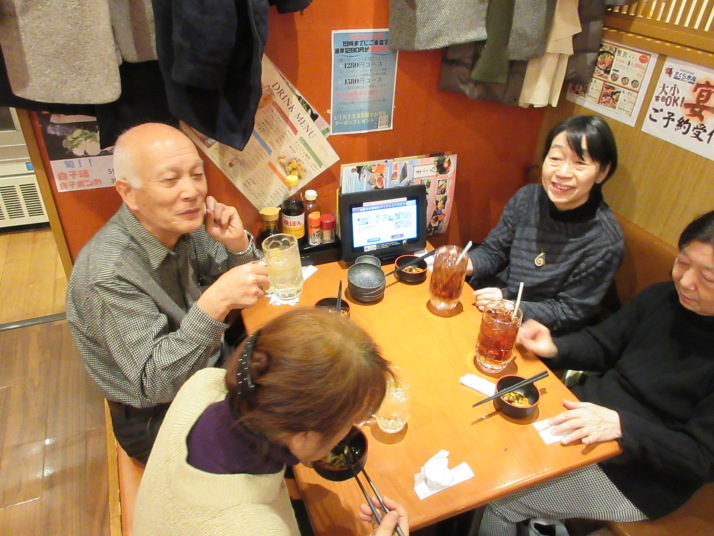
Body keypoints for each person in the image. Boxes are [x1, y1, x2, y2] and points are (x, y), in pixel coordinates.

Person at [477, 210, 714, 536]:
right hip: (579, 415)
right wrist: (554, 347)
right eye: (683, 262)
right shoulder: (662, 298)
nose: (685, 281)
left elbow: (701, 459)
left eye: (708, 278)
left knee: (499, 500)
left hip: (641, 475)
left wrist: (622, 426)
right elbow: (604, 343)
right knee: (483, 448)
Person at [66, 123, 269, 463]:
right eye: (170, 179)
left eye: (196, 175)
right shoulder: (106, 275)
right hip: (156, 413)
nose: (191, 191)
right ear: (128, 192)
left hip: (211, 366)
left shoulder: (186, 224)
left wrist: (237, 246)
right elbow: (156, 383)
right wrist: (214, 303)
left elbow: (255, 283)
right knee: (281, 435)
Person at [133, 308, 410, 536]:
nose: (348, 432)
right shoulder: (253, 528)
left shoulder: (205, 383)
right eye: (349, 422)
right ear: (303, 437)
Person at [467, 115, 624, 334]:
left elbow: (568, 312)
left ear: (603, 172)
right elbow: (494, 251)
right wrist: (464, 263)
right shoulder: (528, 198)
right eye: (556, 158)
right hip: (492, 305)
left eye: (580, 163)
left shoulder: (604, 241)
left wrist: (510, 306)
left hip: (535, 333)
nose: (563, 173)